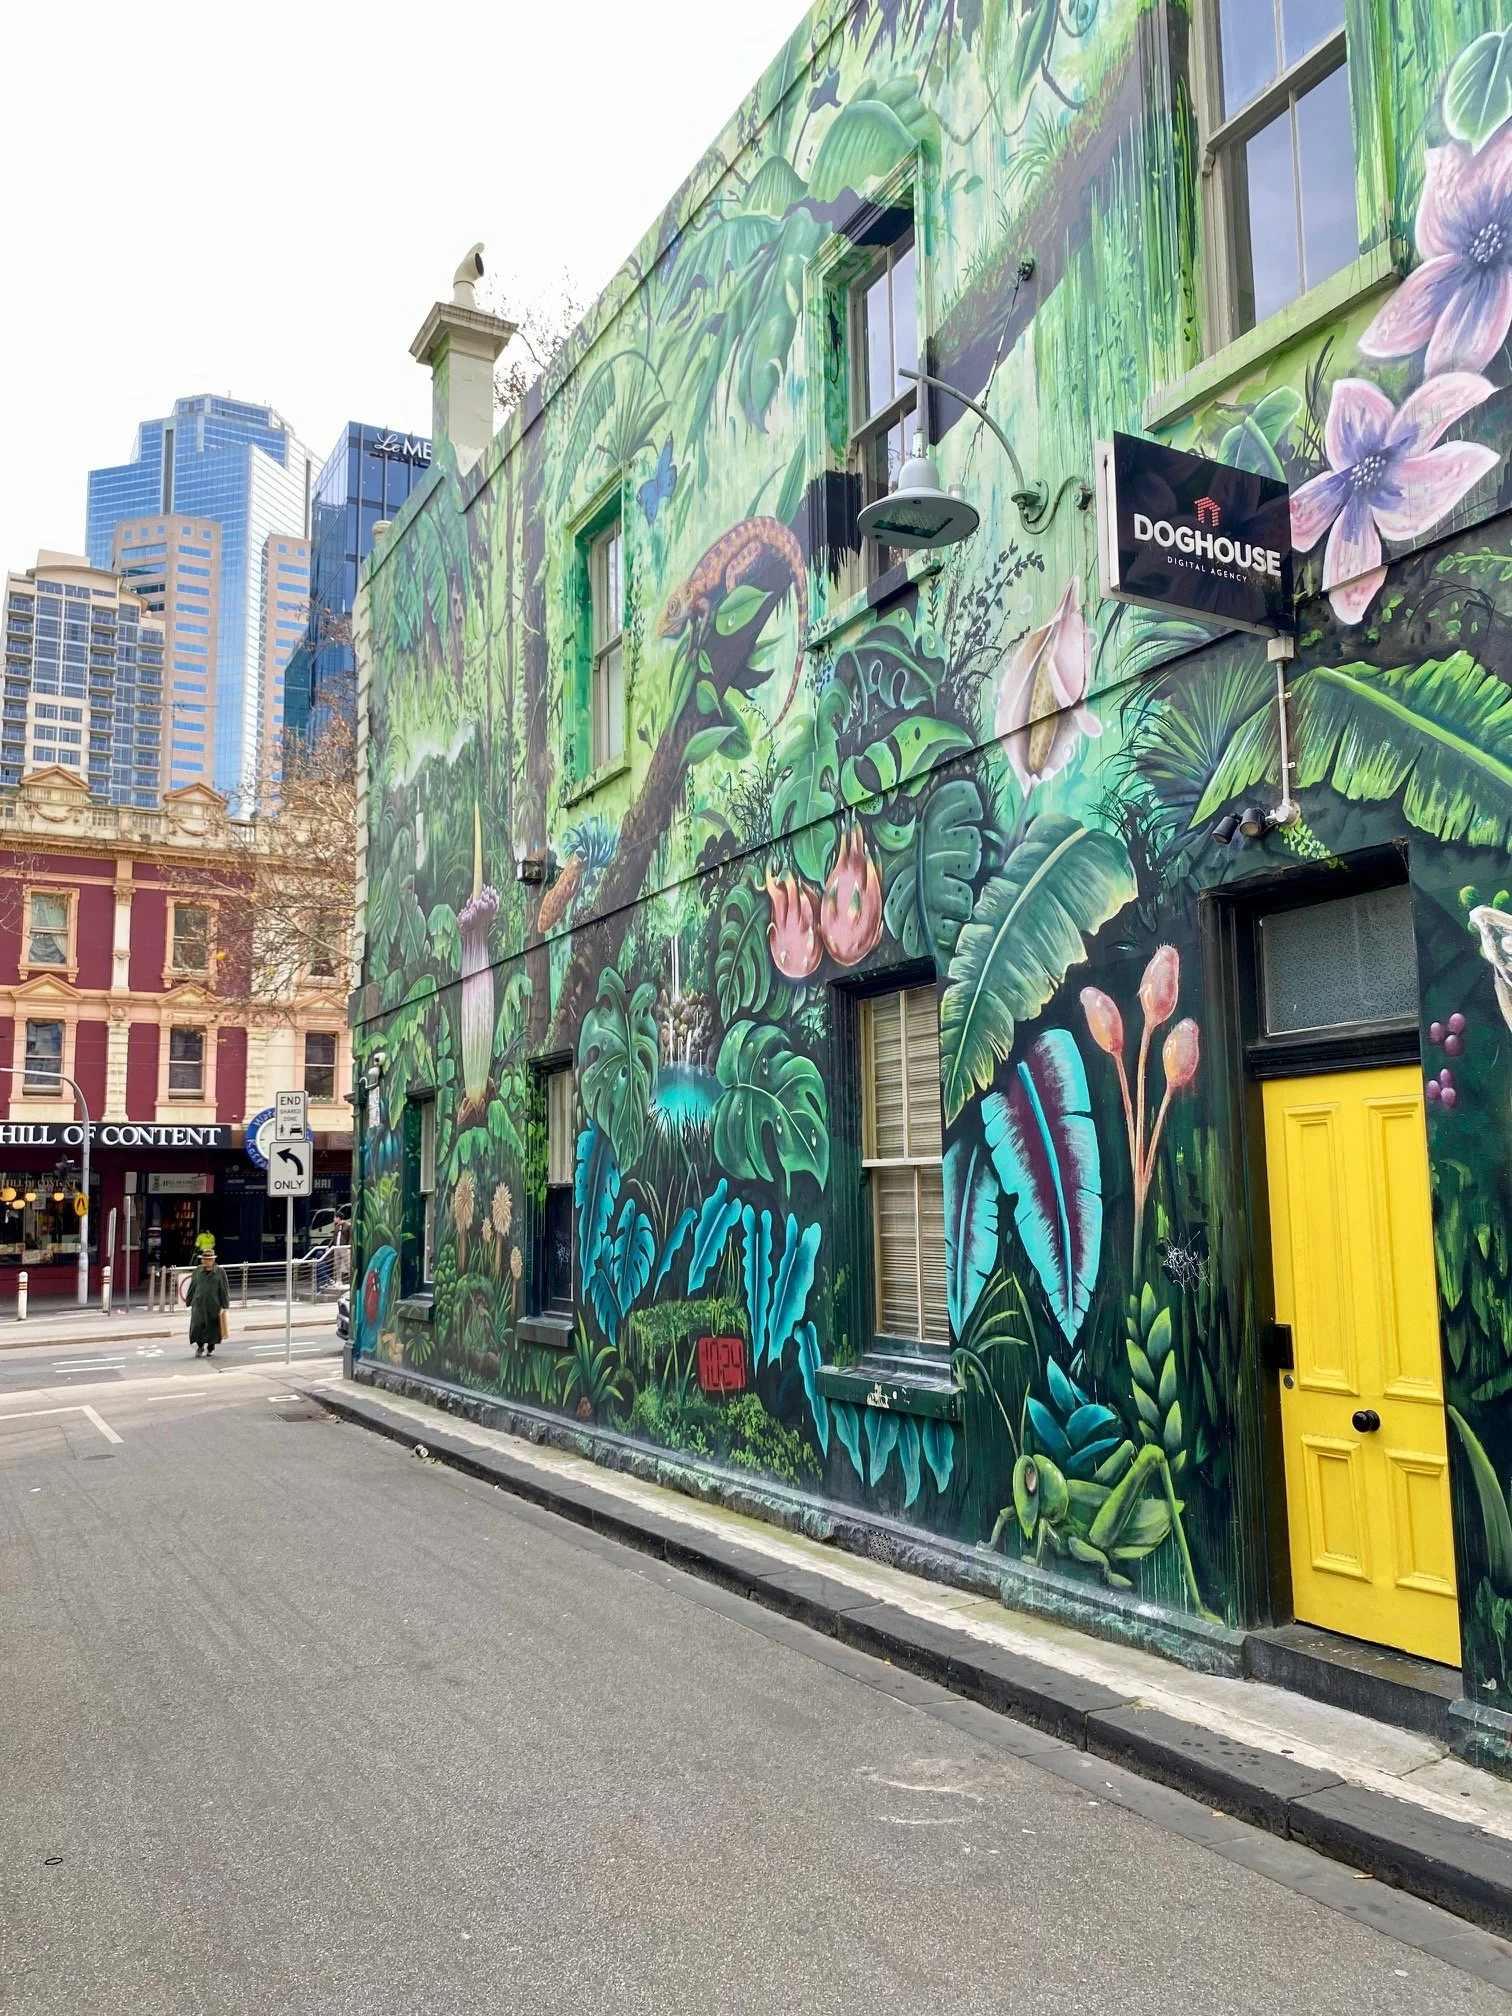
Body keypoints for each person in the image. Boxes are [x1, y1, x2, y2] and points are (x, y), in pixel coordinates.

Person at [188, 1246, 229, 1358]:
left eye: (206, 1260)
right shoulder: (198, 1271)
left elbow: (224, 1289)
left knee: (212, 1327)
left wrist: (225, 1305)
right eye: (203, 1259)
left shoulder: (220, 1272)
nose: (203, 1261)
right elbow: (192, 1286)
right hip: (198, 1304)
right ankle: (200, 1346)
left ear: (212, 1260)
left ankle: (211, 1347)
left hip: (213, 1305)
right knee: (197, 1327)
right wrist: (189, 1300)